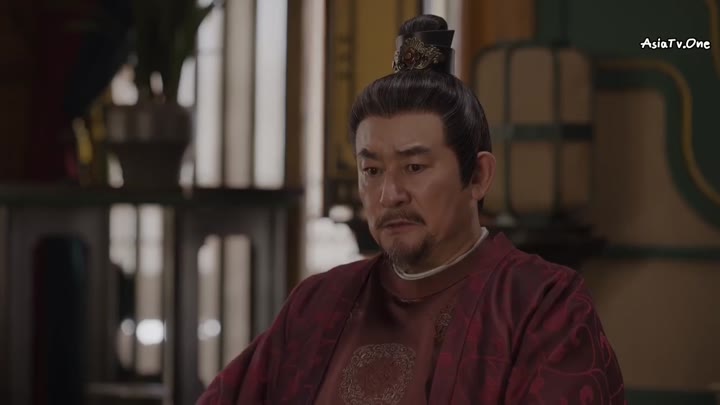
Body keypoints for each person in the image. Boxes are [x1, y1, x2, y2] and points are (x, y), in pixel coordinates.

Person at [197, 15, 625, 405]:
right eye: (372, 170)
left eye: (415, 167)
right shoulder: (318, 304)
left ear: (478, 176)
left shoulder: (542, 305)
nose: (390, 194)